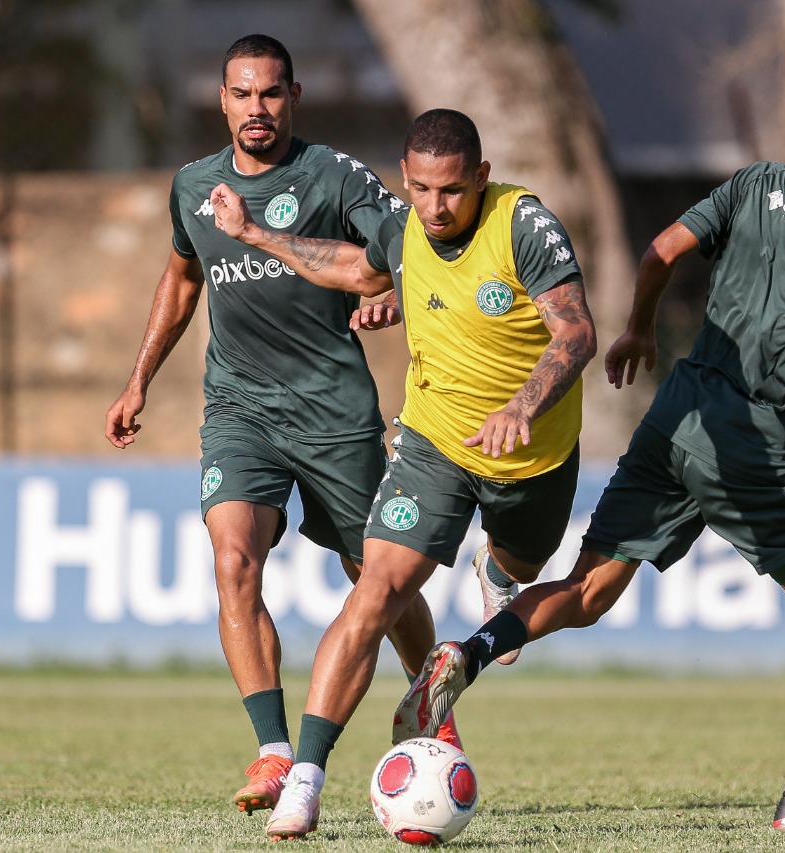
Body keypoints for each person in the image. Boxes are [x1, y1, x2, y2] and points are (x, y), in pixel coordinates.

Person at [394, 76, 785, 836]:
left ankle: (468, 652)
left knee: (589, 588)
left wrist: (639, 329)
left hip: (677, 413)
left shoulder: (761, 183)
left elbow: (662, 250)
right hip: (754, 445)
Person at [208, 107, 597, 840]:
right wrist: (257, 234)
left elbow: (576, 332)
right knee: (376, 589)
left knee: (523, 555)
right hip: (435, 445)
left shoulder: (523, 223)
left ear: (481, 177)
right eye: (419, 189)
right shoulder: (406, 227)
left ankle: (500, 574)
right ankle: (306, 779)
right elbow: (355, 268)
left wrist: (522, 406)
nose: (435, 207)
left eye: (451, 190)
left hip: (532, 458)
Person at [103, 34, 456, 819]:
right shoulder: (194, 185)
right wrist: (138, 380)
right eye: (242, 93)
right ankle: (273, 750)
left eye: (271, 94)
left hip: (332, 412)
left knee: (379, 577)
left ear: (293, 96)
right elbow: (182, 273)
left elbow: (401, 247)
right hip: (240, 410)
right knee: (234, 559)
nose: (256, 109)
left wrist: (393, 286)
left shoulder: (333, 175)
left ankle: (432, 702)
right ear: (221, 99)